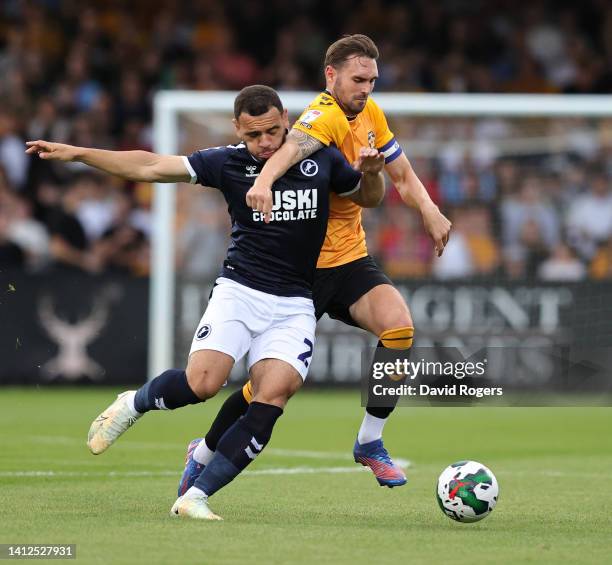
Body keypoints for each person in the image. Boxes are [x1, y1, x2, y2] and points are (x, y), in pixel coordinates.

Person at [26, 85, 385, 520]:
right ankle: (134, 403)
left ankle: (196, 496)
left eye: (273, 131)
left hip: (295, 302)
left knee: (274, 394)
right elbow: (151, 166)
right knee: (203, 384)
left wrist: (370, 173)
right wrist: (80, 153)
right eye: (254, 136)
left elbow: (367, 198)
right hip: (240, 291)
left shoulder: (321, 158)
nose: (266, 143)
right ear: (238, 130)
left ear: (285, 118)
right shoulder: (227, 163)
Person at [181, 34, 452, 495]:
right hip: (296, 272)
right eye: (357, 79)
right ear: (332, 75)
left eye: (372, 79)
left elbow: (401, 174)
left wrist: (429, 210)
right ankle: (203, 453)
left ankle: (370, 442)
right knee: (262, 391)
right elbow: (289, 151)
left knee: (399, 327)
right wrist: (263, 182)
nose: (366, 88)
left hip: (348, 259)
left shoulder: (371, 115)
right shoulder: (321, 116)